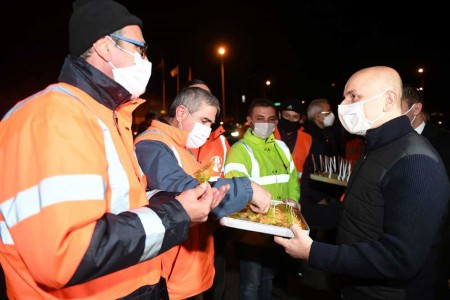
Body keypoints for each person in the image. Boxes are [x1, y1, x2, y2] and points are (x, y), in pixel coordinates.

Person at [0, 0, 230, 299]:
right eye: (139, 48)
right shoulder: (56, 115)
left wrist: (172, 200)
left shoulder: (109, 116)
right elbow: (67, 252)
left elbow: (118, 204)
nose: (144, 60)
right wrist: (177, 213)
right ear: (105, 47)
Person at [275, 66, 450, 300]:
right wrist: (299, 212)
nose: (344, 106)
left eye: (354, 97)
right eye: (345, 97)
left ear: (388, 100)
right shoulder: (376, 150)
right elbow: (355, 212)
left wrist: (314, 252)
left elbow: (401, 258)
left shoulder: (415, 161)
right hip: (356, 288)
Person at [134, 87, 271, 300]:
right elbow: (189, 192)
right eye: (204, 121)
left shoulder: (182, 146)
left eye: (211, 123)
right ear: (181, 113)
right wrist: (247, 188)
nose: (207, 129)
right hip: (169, 274)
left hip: (192, 268)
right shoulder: (152, 145)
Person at [224, 98, 300, 300]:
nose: (266, 123)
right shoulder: (240, 150)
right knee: (251, 284)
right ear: (249, 120)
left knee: (268, 279)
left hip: (277, 228)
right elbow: (234, 187)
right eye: (260, 118)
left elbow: (292, 179)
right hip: (251, 233)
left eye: (271, 119)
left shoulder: (282, 147)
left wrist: (293, 200)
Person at [181, 79, 232, 300]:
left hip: (215, 227)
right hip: (183, 230)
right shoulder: (173, 139)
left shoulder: (221, 141)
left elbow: (229, 179)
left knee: (216, 282)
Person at [401, 85, 450, 299]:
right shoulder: (392, 141)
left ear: (416, 108)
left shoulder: (445, 142)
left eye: (398, 107)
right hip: (400, 236)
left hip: (437, 236)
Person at [274, 98, 313, 205]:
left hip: (294, 196)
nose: (290, 120)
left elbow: (306, 174)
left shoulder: (307, 139)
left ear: (300, 119)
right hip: (271, 195)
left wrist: (302, 200)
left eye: (295, 117)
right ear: (280, 115)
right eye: (287, 115)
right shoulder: (269, 134)